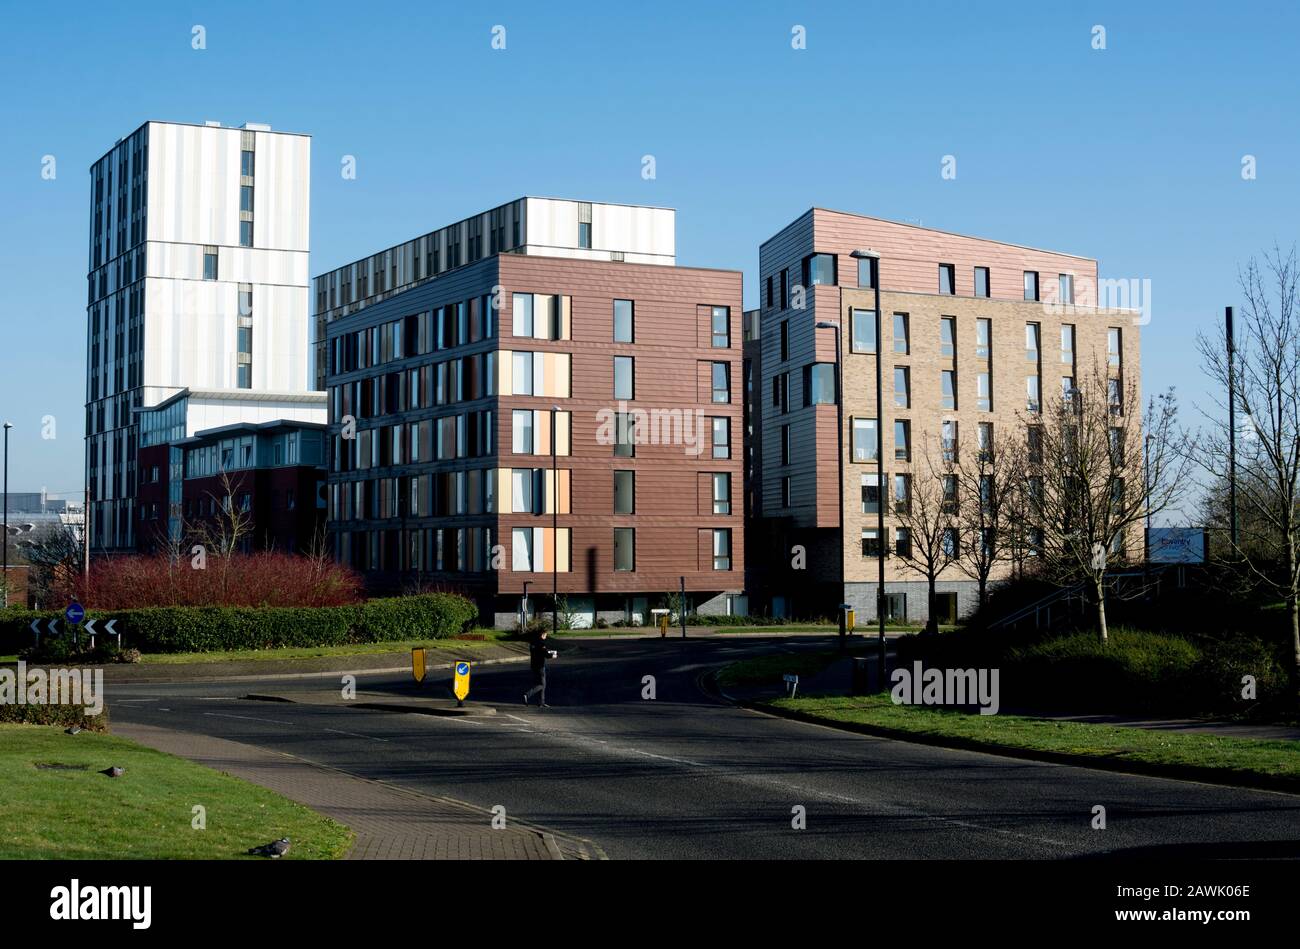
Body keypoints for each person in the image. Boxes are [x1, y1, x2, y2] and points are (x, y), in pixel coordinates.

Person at [523, 628, 556, 707]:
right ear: (542, 634)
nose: (546, 637)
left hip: (533, 665)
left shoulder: (533, 643)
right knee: (542, 684)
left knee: (539, 683)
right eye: (545, 635)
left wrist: (547, 652)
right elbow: (545, 654)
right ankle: (527, 695)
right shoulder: (541, 643)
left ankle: (541, 702)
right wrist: (553, 655)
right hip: (540, 666)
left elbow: (539, 652)